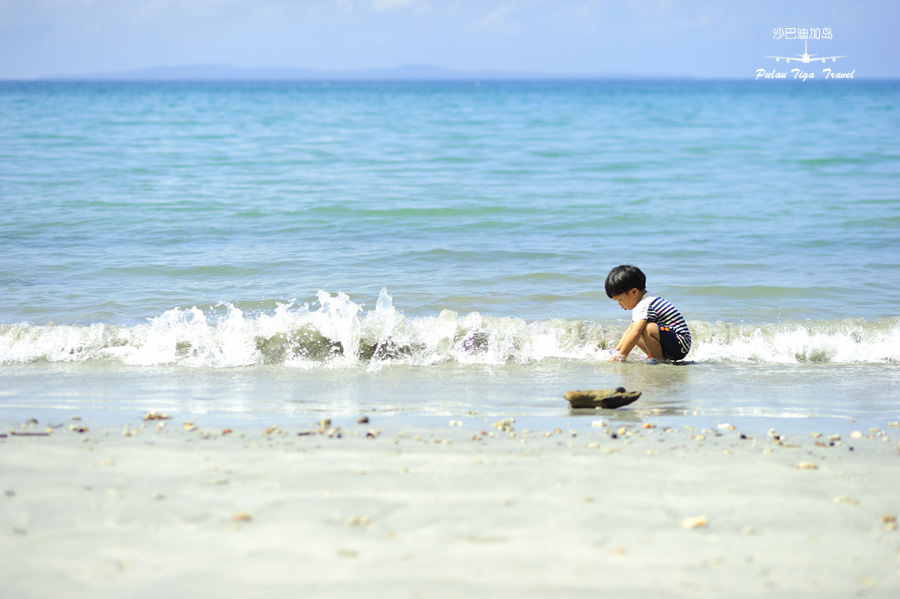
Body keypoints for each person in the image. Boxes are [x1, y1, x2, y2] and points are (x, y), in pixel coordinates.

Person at [605, 264, 691, 362]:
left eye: (620, 300)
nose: (620, 304)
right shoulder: (643, 302)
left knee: (646, 329)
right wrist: (616, 350)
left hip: (680, 344)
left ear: (634, 292)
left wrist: (621, 356)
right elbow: (630, 331)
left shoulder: (645, 304)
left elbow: (635, 333)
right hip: (672, 342)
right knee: (633, 333)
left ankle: (658, 361)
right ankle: (655, 358)